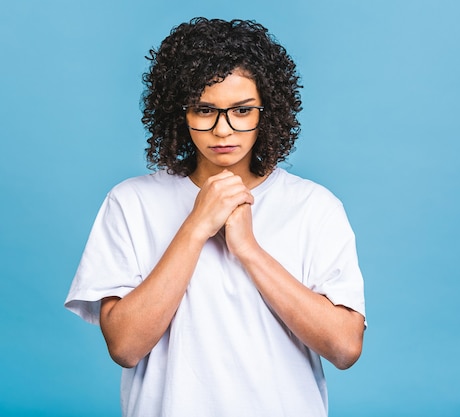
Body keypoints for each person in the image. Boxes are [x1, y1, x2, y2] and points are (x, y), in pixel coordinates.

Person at [65, 17, 366, 417]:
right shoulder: (131, 202)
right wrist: (195, 227)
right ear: (179, 112)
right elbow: (124, 346)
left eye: (242, 111)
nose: (223, 130)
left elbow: (345, 348)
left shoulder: (315, 206)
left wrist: (249, 251)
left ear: (268, 110)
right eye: (205, 109)